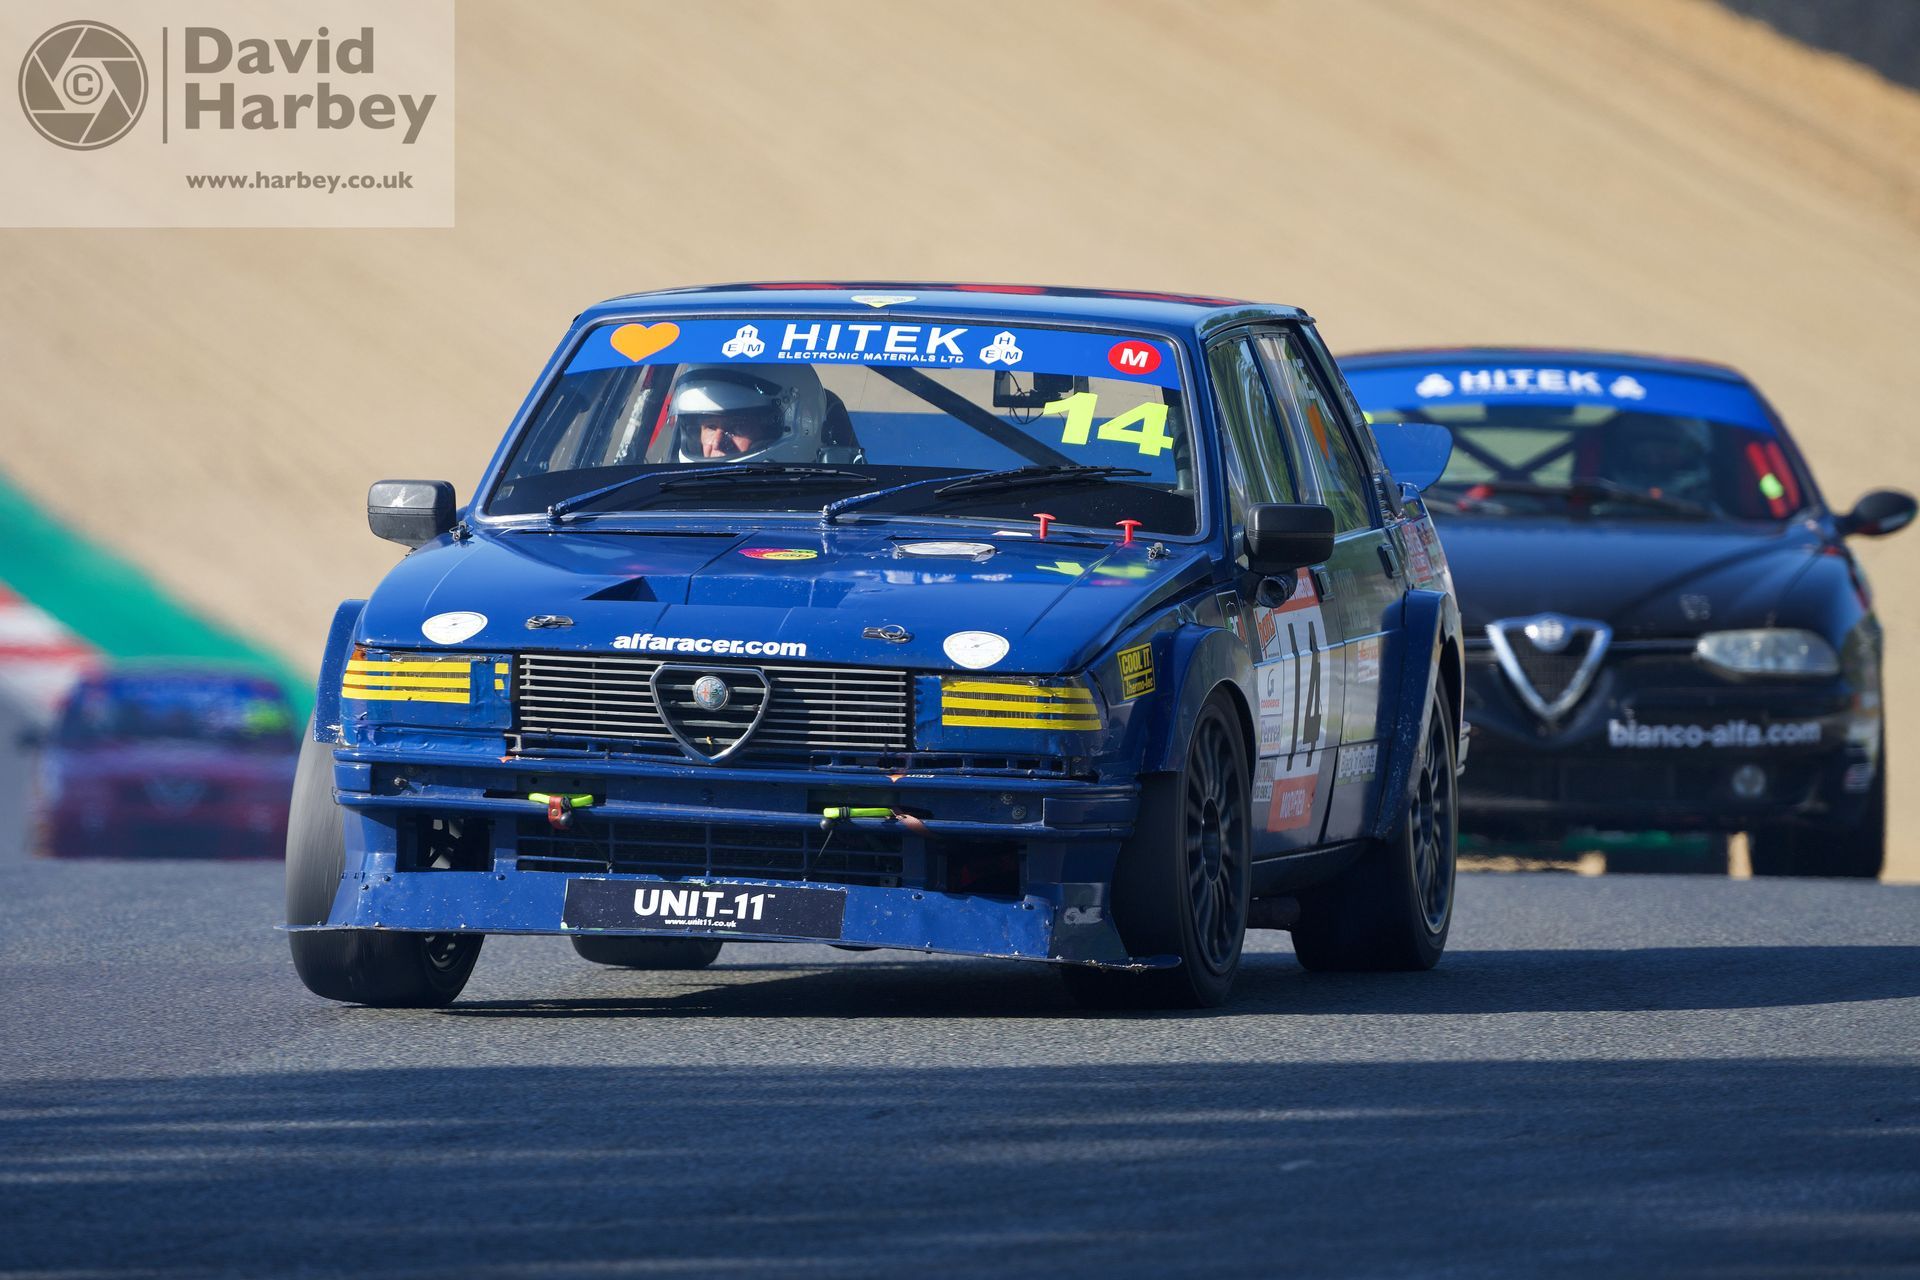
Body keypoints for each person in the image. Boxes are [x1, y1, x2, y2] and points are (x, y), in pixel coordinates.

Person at [667, 365, 828, 462]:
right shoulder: (667, 499)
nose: (717, 443)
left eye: (736, 427)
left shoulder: (822, 507)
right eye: (710, 427)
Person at [1599, 412, 1716, 508]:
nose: (1654, 460)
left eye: (1663, 453)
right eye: (1644, 454)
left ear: (1687, 451)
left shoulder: (1713, 505)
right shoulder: (1602, 493)